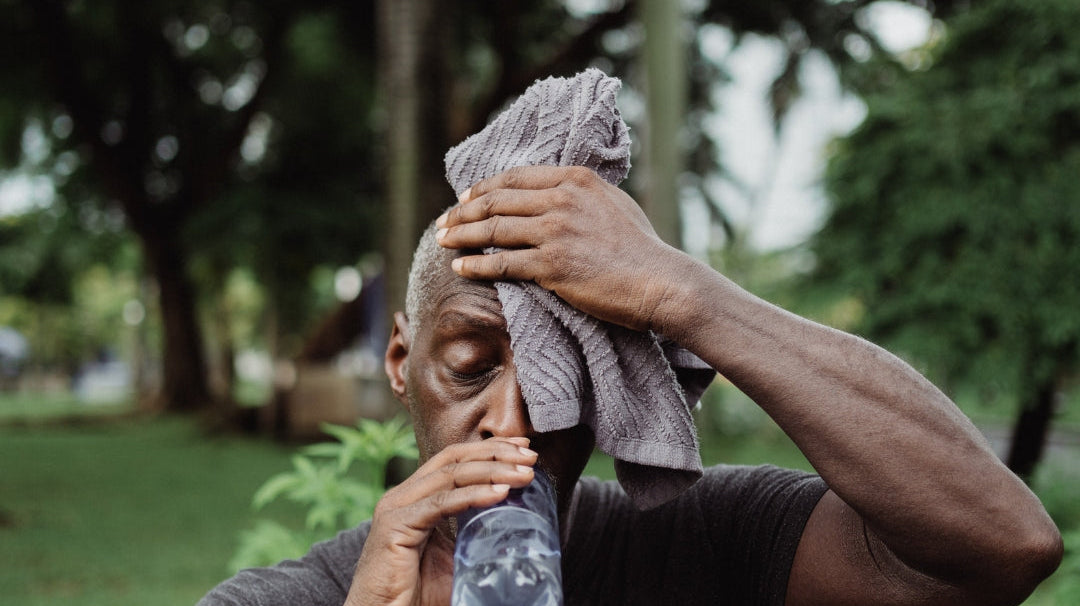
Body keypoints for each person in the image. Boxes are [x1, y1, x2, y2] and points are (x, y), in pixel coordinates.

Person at [200, 166, 1062, 606]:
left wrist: (685, 294)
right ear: (401, 363)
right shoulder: (289, 600)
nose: (512, 422)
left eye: (563, 372)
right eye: (469, 365)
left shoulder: (706, 542)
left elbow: (1005, 547)